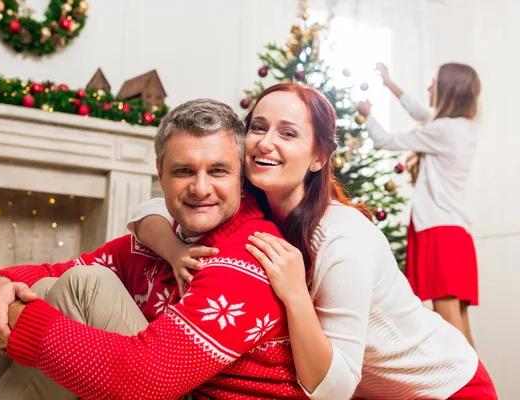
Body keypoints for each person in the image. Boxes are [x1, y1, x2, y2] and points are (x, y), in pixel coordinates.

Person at [130, 82, 497, 399]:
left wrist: (296, 297)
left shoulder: (341, 237)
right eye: (258, 127)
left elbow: (334, 389)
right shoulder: (250, 200)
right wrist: (175, 251)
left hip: (445, 387)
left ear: (318, 157)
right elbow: (151, 209)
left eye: (288, 133)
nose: (265, 143)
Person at [0, 99, 309, 400]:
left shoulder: (250, 255)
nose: (200, 188)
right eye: (184, 170)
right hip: (169, 388)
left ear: (240, 177)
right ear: (160, 174)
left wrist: (17, 320)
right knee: (46, 288)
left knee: (84, 286)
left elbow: (145, 379)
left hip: (170, 389)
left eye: (218, 171)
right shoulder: (162, 238)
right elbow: (56, 270)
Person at [356, 62, 481, 347]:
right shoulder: (462, 128)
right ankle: (483, 390)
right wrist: (390, 84)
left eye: (434, 82)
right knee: (462, 326)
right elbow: (420, 113)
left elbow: (386, 141)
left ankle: (467, 390)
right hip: (458, 233)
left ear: (448, 90)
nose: (428, 87)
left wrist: (367, 116)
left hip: (439, 232)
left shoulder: (442, 130)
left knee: (451, 328)